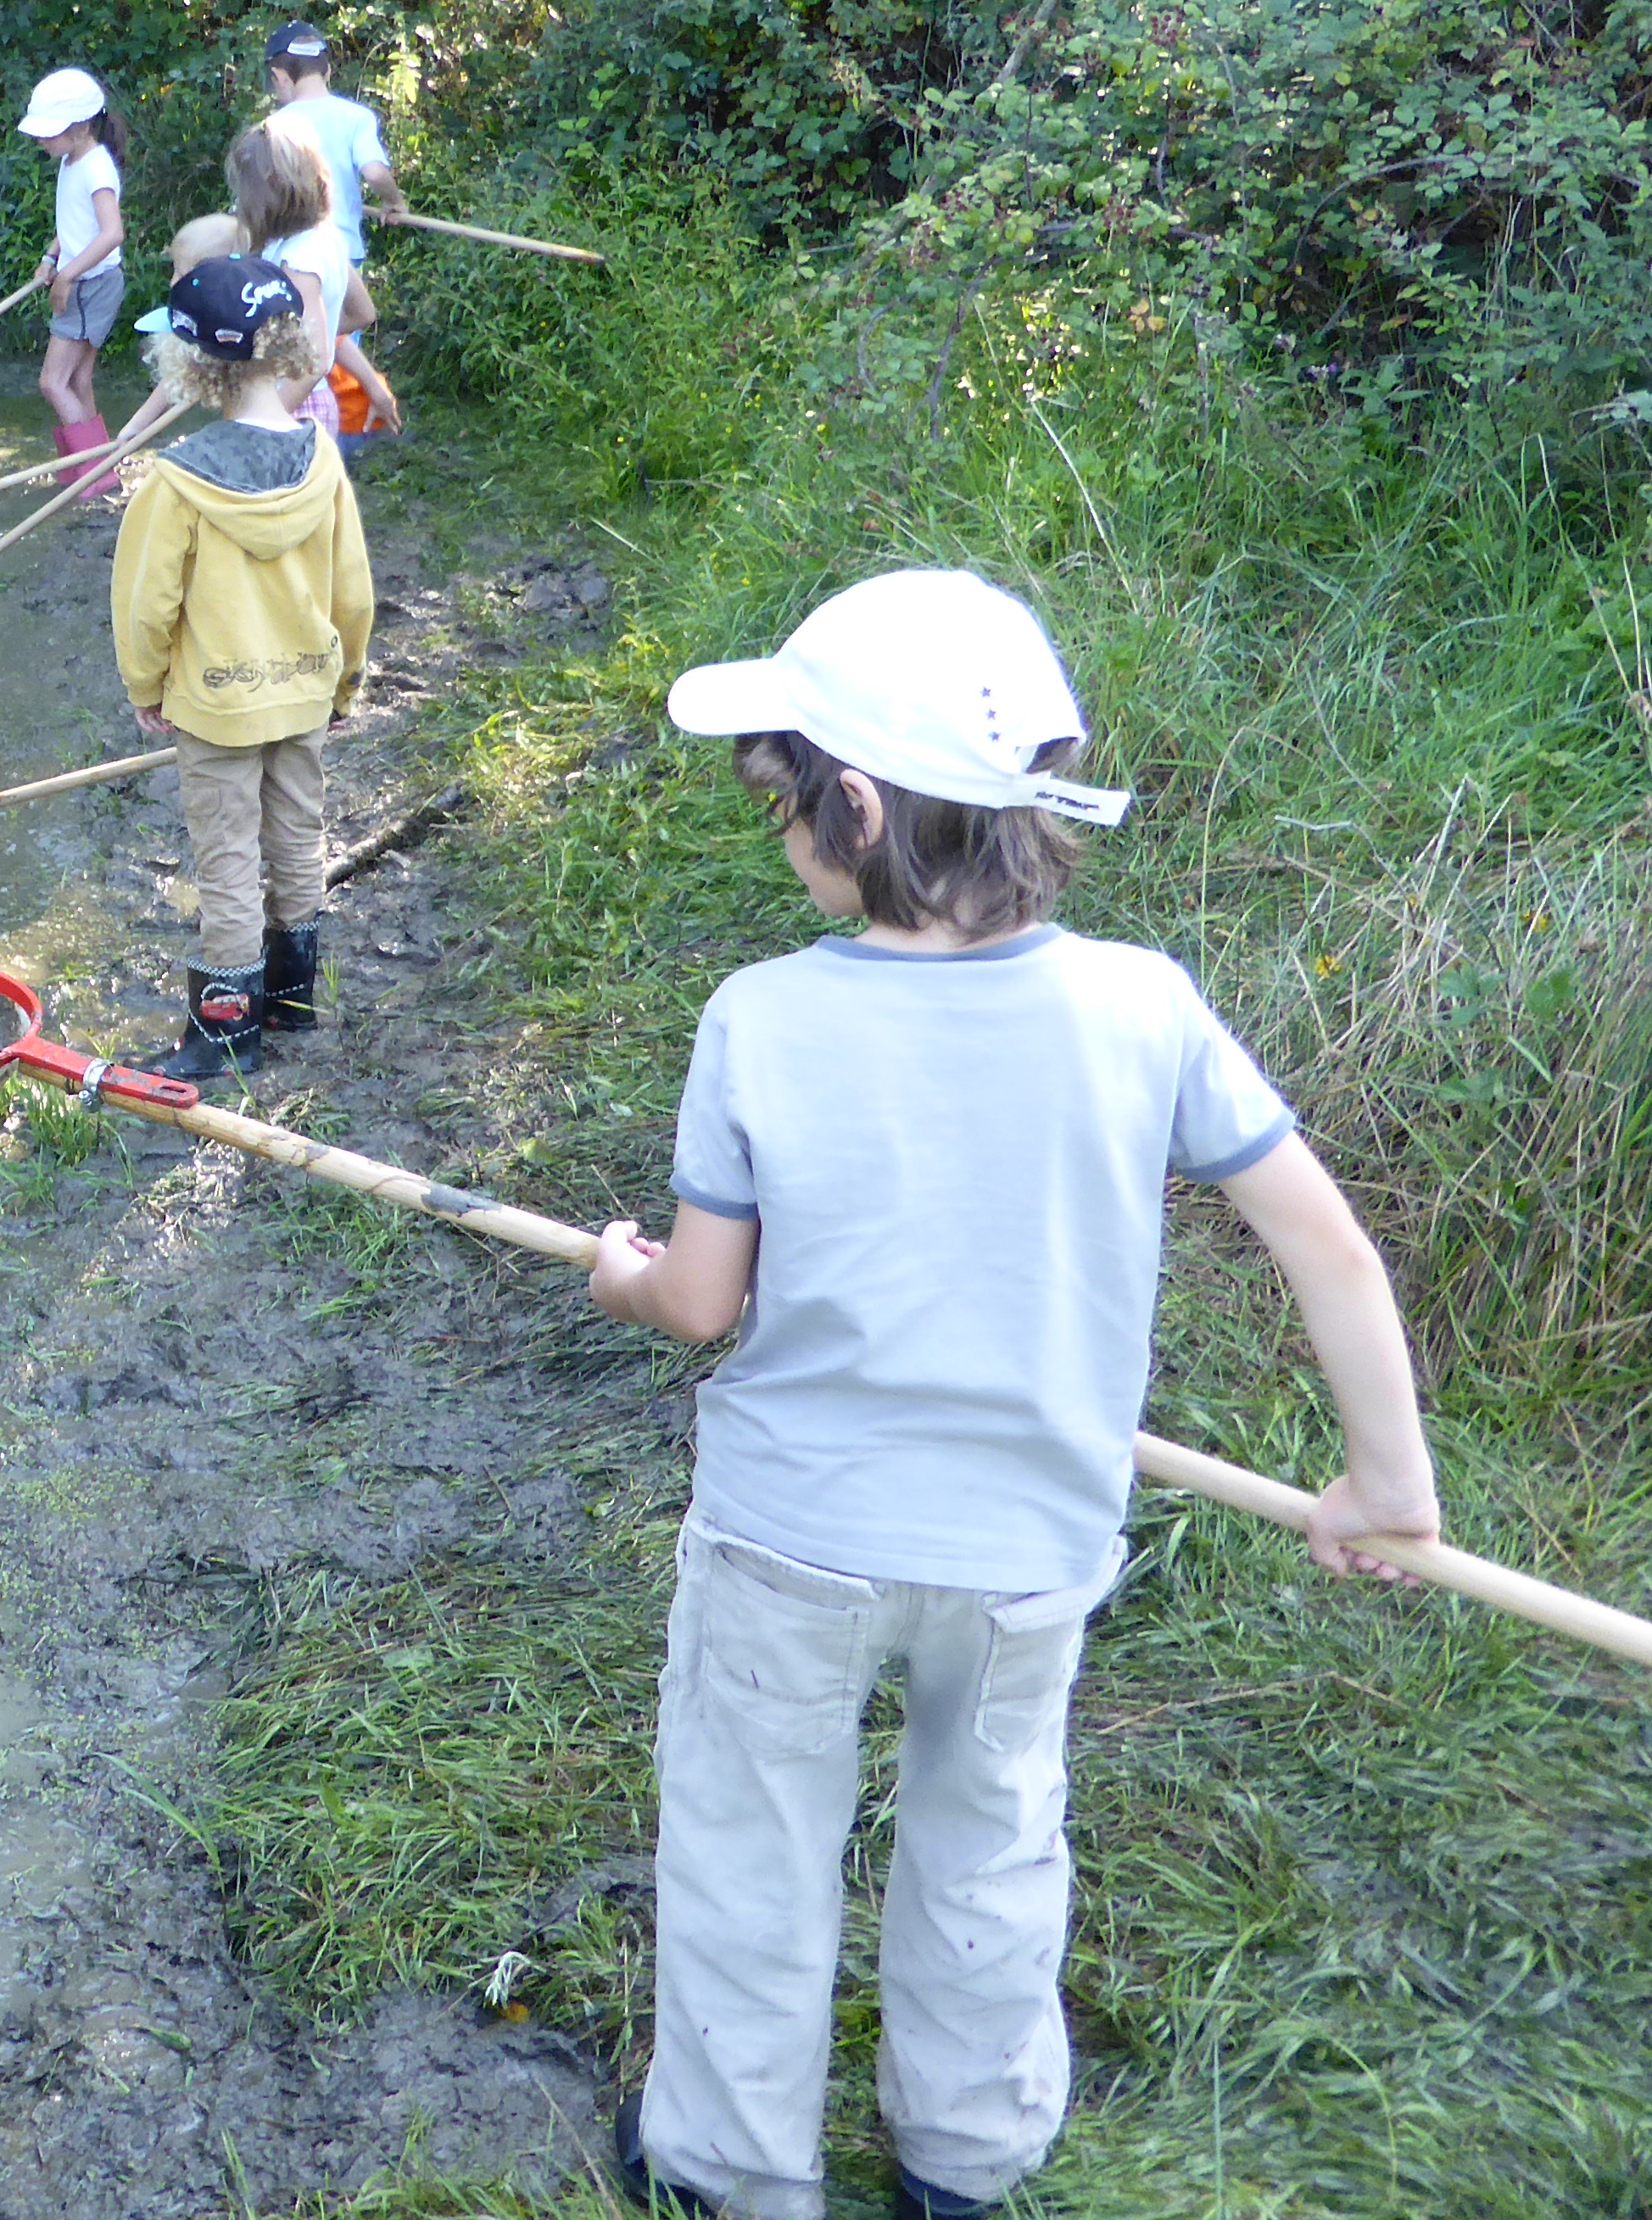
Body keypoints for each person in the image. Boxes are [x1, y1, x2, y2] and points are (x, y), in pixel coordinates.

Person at [583, 569, 1443, 2220]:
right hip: (1031, 1551)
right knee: (989, 1845)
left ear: (854, 805)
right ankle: (964, 2163)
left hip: (789, 1546)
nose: (782, 846)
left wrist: (622, 1275)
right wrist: (1386, 1484)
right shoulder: (1145, 1011)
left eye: (781, 810)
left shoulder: (758, 1019)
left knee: (755, 1850)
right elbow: (1329, 1251)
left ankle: (729, 2168)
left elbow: (698, 1303)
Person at [109, 255, 375, 1080]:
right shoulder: (322, 457)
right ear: (292, 343)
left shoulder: (176, 481)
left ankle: (227, 1031)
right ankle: (292, 1002)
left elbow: (147, 605)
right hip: (303, 696)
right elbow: (353, 592)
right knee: (298, 840)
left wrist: (146, 686)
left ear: (189, 364)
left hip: (217, 709)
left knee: (228, 859)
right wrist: (345, 684)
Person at [264, 20, 406, 432]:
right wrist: (393, 202)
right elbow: (376, 172)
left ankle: (294, 431)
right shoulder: (355, 116)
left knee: (298, 351)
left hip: (289, 251)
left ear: (279, 76)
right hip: (341, 251)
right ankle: (339, 438)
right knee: (336, 352)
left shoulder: (277, 126)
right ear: (327, 71)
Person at [224, 121, 400, 438]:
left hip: (294, 407)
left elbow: (315, 360)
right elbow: (363, 313)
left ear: (265, 191)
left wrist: (264, 421)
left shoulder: (298, 260)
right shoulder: (324, 238)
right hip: (307, 403)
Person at [20, 66, 127, 489]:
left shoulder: (96, 169)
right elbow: (73, 228)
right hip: (86, 280)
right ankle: (92, 469)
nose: (41, 140)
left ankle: (92, 477)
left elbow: (112, 233)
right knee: (77, 380)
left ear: (81, 127)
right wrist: (50, 257)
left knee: (52, 382)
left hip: (91, 285)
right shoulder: (72, 160)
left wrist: (66, 277)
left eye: (50, 131)